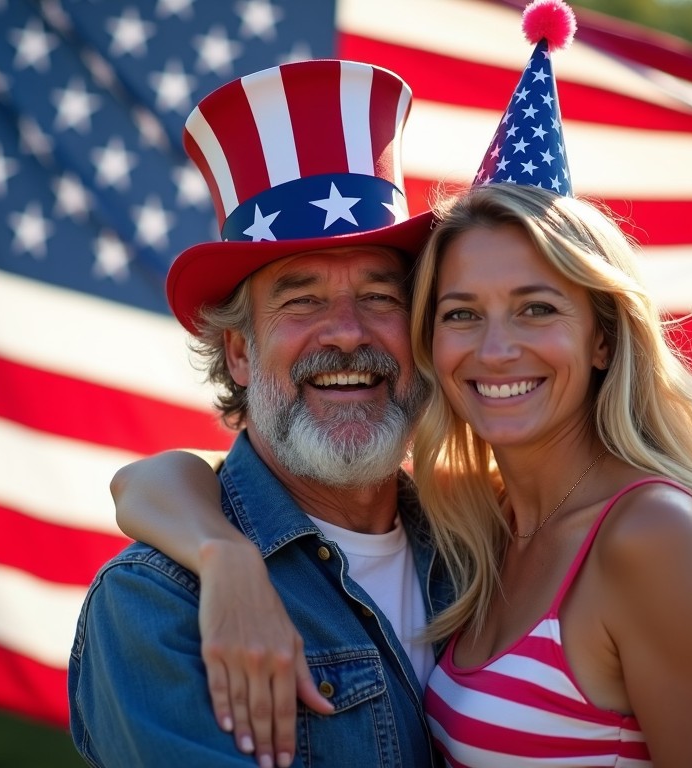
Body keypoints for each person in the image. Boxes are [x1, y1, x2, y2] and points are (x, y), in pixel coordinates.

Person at [114, 182, 692, 767]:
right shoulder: (477, 534)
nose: (497, 349)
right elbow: (149, 482)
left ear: (604, 336)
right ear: (238, 351)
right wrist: (226, 556)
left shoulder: (639, 535)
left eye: (382, 297)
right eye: (463, 313)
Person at [68, 58, 450, 768]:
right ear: (240, 353)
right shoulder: (158, 606)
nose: (346, 332)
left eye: (380, 296)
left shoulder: (490, 550)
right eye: (301, 300)